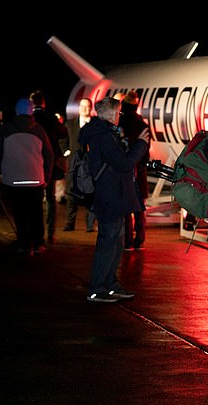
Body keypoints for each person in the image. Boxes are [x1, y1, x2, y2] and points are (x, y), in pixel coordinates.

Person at [82, 97, 149, 303]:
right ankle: (98, 287)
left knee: (116, 243)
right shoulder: (104, 137)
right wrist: (141, 145)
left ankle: (109, 284)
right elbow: (123, 163)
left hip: (115, 195)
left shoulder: (105, 134)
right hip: (110, 196)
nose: (119, 116)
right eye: (118, 113)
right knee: (108, 243)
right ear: (111, 113)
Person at [0, 98, 53, 255]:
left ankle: (24, 244)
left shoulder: (5, 130)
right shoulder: (39, 131)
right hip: (35, 179)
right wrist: (47, 176)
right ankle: (38, 243)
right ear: (31, 111)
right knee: (36, 212)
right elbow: (49, 155)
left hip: (13, 179)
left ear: (16, 111)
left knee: (19, 212)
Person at [30, 90, 68, 244]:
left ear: (32, 103)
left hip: (33, 162)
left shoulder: (30, 119)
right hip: (50, 162)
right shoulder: (51, 118)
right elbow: (63, 132)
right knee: (50, 198)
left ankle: (36, 232)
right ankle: (50, 232)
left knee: (36, 199)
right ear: (43, 102)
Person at [115, 91, 150, 251]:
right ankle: (140, 239)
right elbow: (146, 148)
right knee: (139, 207)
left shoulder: (120, 122)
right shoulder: (141, 123)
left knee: (126, 208)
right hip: (139, 170)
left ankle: (128, 241)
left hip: (125, 170)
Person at [63, 97, 96, 232]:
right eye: (82, 106)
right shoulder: (70, 124)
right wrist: (65, 151)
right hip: (73, 165)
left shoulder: (96, 124)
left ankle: (90, 225)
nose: (85, 109)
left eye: (87, 106)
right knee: (71, 195)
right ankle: (70, 223)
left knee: (91, 195)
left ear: (91, 108)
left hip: (91, 166)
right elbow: (63, 139)